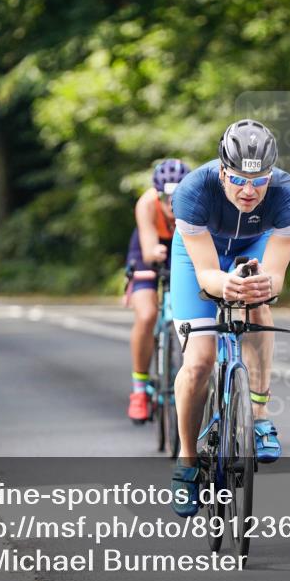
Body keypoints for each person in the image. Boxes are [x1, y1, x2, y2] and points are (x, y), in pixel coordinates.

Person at [168, 119, 290, 517]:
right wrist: (223, 284)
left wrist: (260, 284)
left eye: (259, 180)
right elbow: (206, 276)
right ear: (222, 170)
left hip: (254, 246)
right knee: (198, 363)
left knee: (260, 303)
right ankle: (187, 460)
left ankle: (260, 414)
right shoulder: (193, 193)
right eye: (238, 179)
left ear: (272, 176)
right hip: (201, 255)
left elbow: (276, 276)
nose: (249, 191)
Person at [125, 159, 190, 422]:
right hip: (149, 247)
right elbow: (150, 249)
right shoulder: (146, 204)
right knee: (146, 314)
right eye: (165, 197)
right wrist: (155, 254)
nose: (171, 205)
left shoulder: (198, 202)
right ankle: (140, 390)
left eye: (178, 198)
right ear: (157, 193)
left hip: (184, 245)